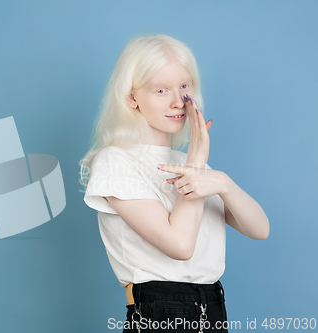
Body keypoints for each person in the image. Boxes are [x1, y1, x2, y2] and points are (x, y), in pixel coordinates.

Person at [79, 34, 270, 333]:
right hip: (159, 311)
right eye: (160, 90)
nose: (178, 101)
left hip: (213, 307)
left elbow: (260, 229)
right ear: (132, 98)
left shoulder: (191, 163)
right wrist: (196, 165)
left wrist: (223, 182)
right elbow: (180, 245)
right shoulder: (116, 161)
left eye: (184, 86)